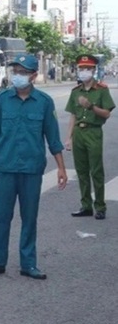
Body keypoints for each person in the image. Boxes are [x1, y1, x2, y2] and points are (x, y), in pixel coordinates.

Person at [0, 54, 67, 280]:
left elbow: (53, 138)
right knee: (1, 217)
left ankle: (29, 264)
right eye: (15, 71)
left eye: (23, 72)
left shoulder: (44, 102)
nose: (18, 76)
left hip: (32, 169)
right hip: (5, 167)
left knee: (29, 217)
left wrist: (61, 168)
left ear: (33, 76)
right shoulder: (2, 100)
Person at [65, 54, 115, 220]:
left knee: (96, 171)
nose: (84, 71)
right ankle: (86, 206)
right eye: (81, 68)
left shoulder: (101, 90)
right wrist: (69, 138)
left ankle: (100, 206)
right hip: (79, 132)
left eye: (87, 68)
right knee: (81, 171)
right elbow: (73, 115)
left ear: (94, 70)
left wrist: (91, 106)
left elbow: (107, 114)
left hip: (93, 132)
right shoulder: (75, 92)